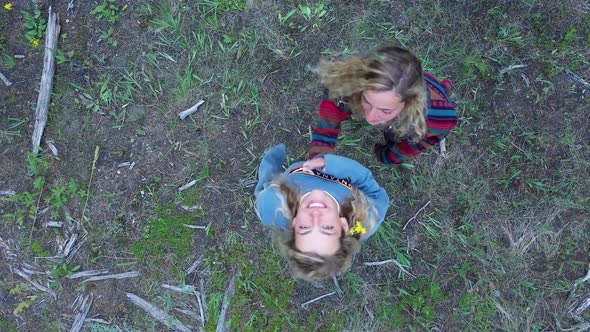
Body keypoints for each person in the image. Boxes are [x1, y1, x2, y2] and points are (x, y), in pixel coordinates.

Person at [255, 144, 389, 282]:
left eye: (304, 228)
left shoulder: (272, 204)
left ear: (294, 224)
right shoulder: (364, 220)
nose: (315, 216)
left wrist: (273, 156)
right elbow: (377, 195)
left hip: (300, 169)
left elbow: (266, 180)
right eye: (327, 228)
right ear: (343, 226)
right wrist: (333, 165)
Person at [307, 45, 458, 166]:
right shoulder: (355, 73)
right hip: (413, 82)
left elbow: (423, 142)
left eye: (385, 110)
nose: (370, 118)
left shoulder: (439, 118)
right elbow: (333, 106)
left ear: (409, 104)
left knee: (439, 90)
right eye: (366, 100)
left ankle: (443, 88)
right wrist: (320, 154)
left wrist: (390, 156)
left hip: (427, 95)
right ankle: (443, 87)